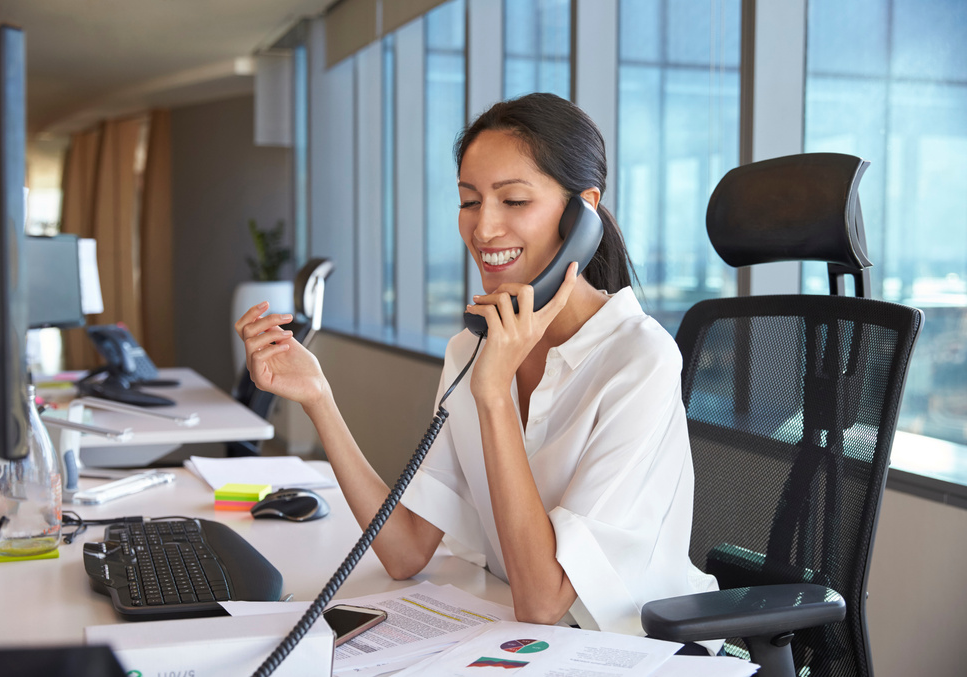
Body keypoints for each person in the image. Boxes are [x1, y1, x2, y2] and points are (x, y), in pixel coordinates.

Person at [235, 92, 717, 641]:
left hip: (631, 650)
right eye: (469, 201)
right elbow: (405, 549)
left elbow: (543, 601)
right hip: (524, 641)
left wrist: (493, 398)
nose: (483, 229)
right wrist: (318, 395)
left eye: (513, 201)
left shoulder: (638, 359)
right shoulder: (469, 351)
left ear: (582, 213)